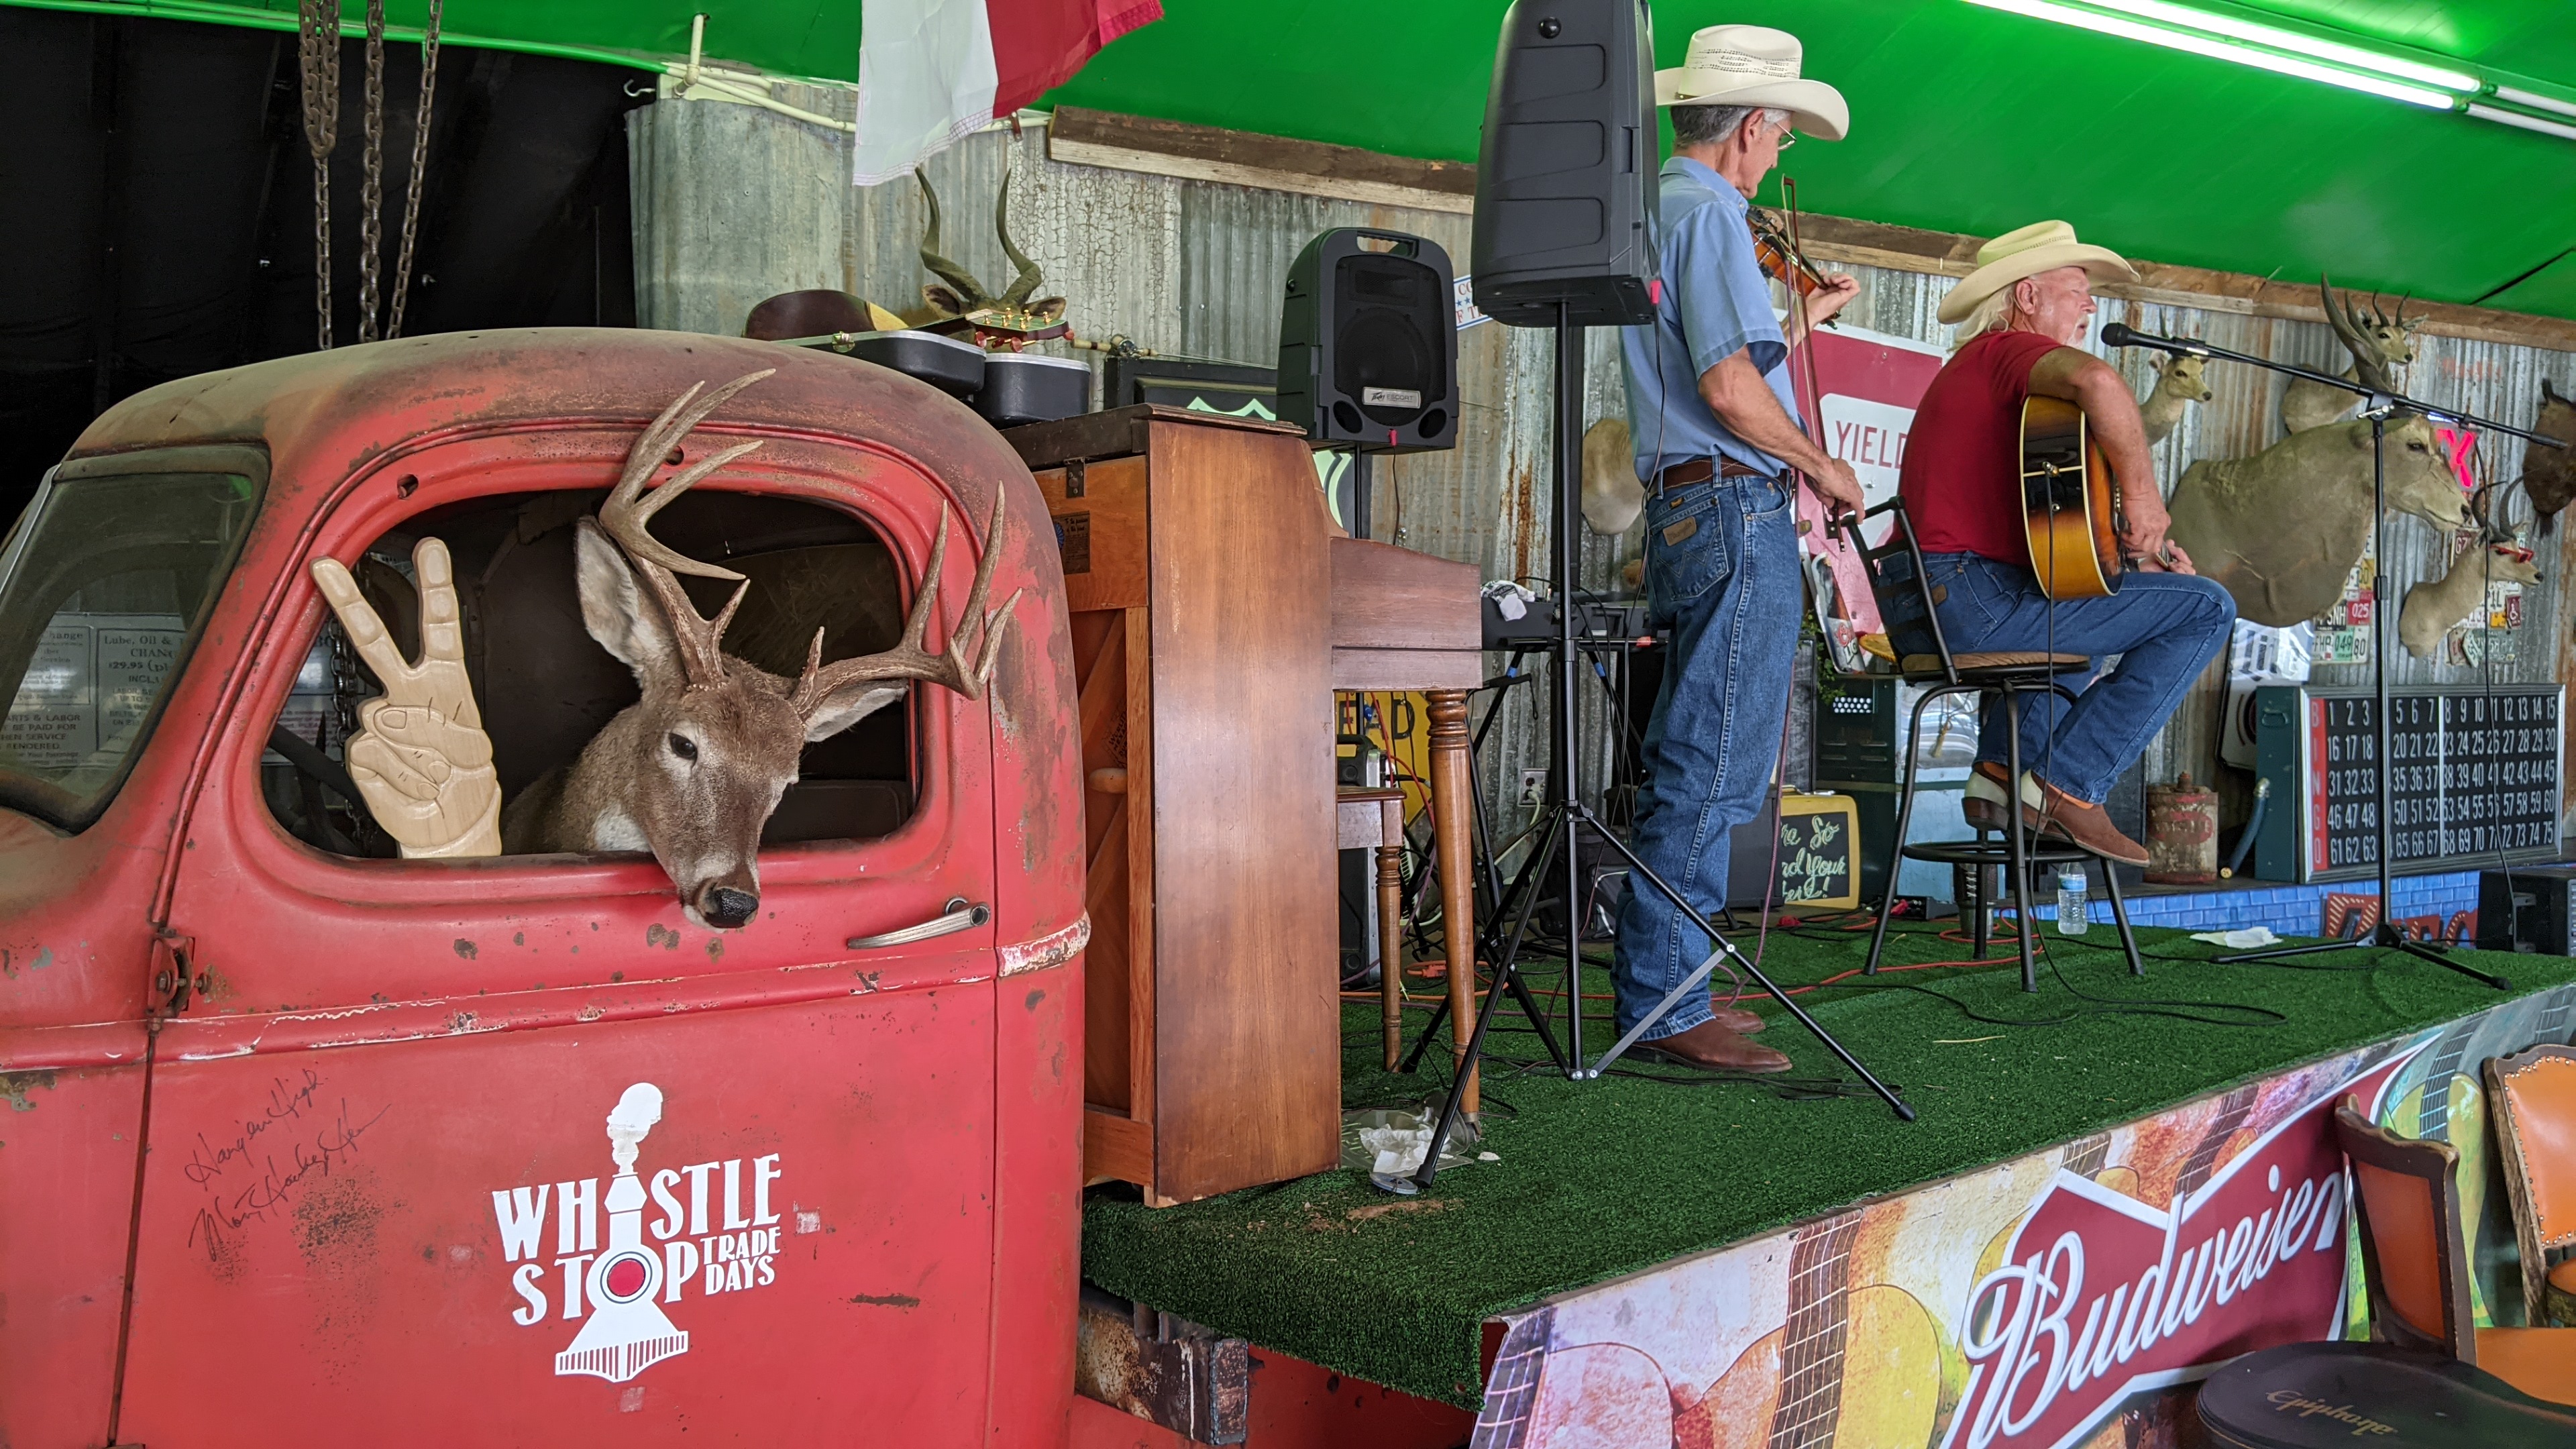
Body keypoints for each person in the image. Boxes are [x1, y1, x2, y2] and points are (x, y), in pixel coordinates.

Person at [1611, 25, 1863, 1074]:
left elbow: (1706, 377)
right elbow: (1726, 392)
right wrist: (1823, 463)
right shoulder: (1713, 215)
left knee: (1698, 750)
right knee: (1715, 759)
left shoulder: (1660, 207)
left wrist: (1792, 326)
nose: (1779, 157)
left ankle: (1677, 985)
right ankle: (1666, 1007)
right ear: (1753, 127)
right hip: (1731, 507)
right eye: (1781, 137)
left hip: (1683, 505)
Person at [1896, 221, 2237, 864]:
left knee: (2090, 600)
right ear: (2026, 296)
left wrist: (2142, 560)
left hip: (1940, 601)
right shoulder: (2007, 352)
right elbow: (2101, 383)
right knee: (2207, 608)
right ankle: (2065, 785)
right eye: (2076, 290)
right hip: (1968, 601)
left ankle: (2000, 772)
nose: (2090, 305)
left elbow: (2062, 544)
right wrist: (2143, 499)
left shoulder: (1987, 377)